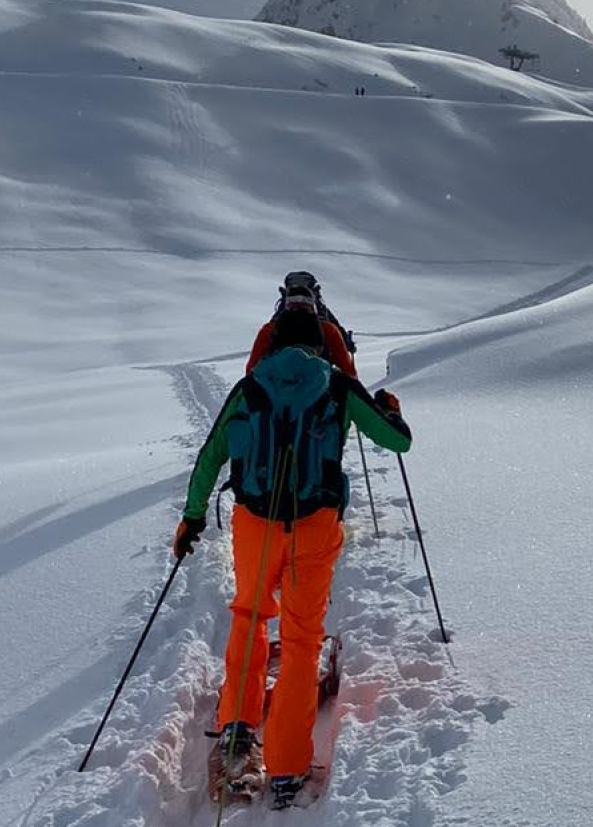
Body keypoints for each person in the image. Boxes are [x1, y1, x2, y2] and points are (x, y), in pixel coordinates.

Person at [173, 308, 412, 809]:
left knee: (250, 613)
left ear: (272, 343)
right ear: (320, 346)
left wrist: (191, 520)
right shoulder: (337, 384)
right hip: (313, 525)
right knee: (302, 639)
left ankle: (237, 726)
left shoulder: (251, 387)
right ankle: (286, 766)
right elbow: (397, 442)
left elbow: (210, 456)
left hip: (254, 525)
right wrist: (389, 408)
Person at [246, 271, 358, 377]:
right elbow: (349, 372)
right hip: (322, 390)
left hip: (276, 391)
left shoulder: (271, 329)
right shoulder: (328, 329)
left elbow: (251, 370)